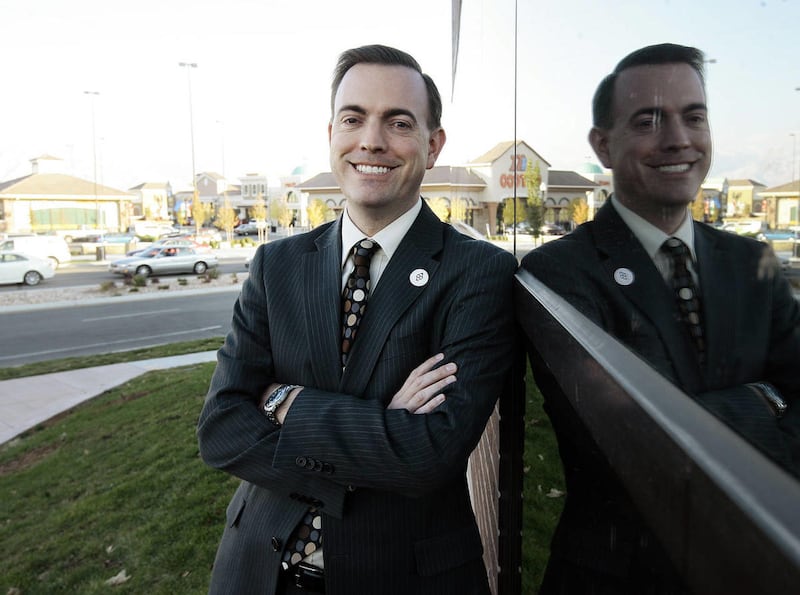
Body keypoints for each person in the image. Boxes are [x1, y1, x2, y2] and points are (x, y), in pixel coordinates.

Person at [197, 44, 518, 595]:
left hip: (403, 577)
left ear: (432, 144)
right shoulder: (276, 265)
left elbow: (429, 454)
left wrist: (283, 402)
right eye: (354, 118)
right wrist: (380, 430)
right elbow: (222, 429)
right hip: (256, 571)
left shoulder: (479, 273)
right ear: (331, 135)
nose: (371, 140)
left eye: (398, 122)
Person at [520, 43, 800, 593]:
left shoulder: (751, 262)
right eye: (648, 120)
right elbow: (637, 441)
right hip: (620, 575)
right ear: (603, 144)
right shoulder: (558, 271)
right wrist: (768, 399)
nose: (679, 139)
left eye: (693, 117)